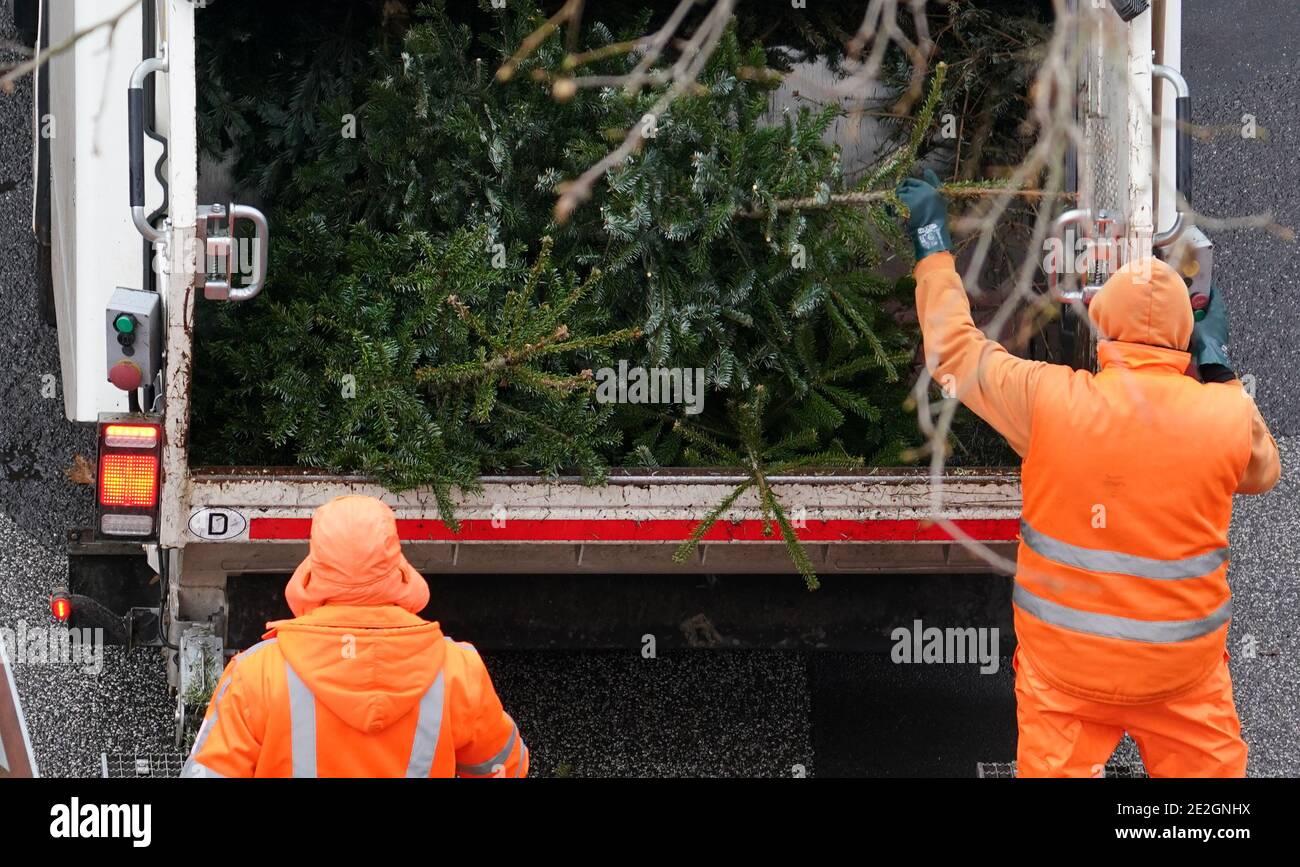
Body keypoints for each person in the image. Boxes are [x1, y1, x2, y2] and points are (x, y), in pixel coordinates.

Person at [895, 169, 1281, 777]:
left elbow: (954, 354)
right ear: (1188, 337)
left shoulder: (1049, 402)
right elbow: (1263, 472)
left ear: (1103, 327)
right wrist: (1219, 370)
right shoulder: (1225, 415)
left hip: (1065, 675)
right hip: (1180, 677)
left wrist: (932, 240)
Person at [182, 495, 527, 778]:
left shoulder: (256, 675)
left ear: (314, 564)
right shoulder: (457, 671)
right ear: (396, 562)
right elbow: (504, 768)